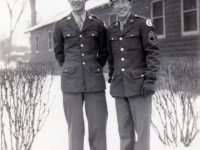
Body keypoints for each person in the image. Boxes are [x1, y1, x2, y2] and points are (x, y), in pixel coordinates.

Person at [53, 0, 108, 150]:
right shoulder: (60, 25)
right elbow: (59, 53)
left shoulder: (98, 24)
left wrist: (93, 68)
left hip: (94, 82)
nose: (76, 1)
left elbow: (104, 52)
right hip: (71, 82)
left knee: (98, 126)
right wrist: (71, 68)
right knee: (75, 129)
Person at [107, 0, 160, 150]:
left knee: (142, 133)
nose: (120, 6)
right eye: (116, 3)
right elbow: (112, 58)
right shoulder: (111, 30)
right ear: (112, 7)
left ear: (130, 4)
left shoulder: (143, 24)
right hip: (120, 87)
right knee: (124, 132)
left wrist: (150, 79)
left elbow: (153, 52)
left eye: (124, 1)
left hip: (139, 87)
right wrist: (112, 77)